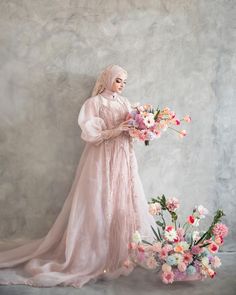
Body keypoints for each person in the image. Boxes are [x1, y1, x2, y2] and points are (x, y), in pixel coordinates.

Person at [0, 64, 155, 288]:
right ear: (108, 79)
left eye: (124, 82)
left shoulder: (125, 103)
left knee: (123, 197)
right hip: (101, 156)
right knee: (99, 199)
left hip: (123, 156)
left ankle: (120, 251)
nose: (121, 85)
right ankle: (97, 255)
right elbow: (91, 135)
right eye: (118, 80)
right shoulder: (94, 103)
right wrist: (118, 130)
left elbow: (130, 128)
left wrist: (142, 128)